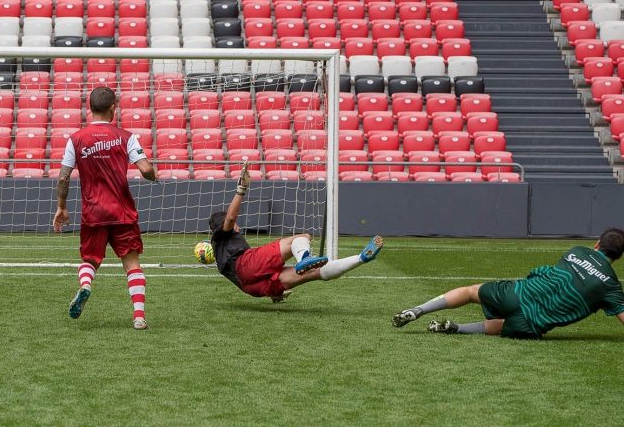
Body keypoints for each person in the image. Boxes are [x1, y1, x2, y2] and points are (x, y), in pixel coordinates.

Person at [392, 228, 624, 339]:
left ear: (597, 244)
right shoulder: (611, 287)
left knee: (471, 291)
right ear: (619, 256)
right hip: (531, 324)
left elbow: (546, 272)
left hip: (518, 293)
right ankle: (458, 328)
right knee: (504, 325)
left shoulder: (577, 251)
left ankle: (418, 310)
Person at [53, 87, 157, 330]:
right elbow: (145, 169)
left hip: (93, 212)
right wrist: (153, 175)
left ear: (89, 108)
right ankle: (139, 317)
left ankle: (86, 285)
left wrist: (61, 207)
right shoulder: (126, 136)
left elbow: (64, 177)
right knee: (132, 263)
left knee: (90, 260)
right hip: (122, 212)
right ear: (113, 108)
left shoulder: (76, 139)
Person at [209, 162, 384, 302]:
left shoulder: (220, 251)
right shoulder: (223, 234)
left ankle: (362, 258)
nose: (238, 226)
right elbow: (230, 218)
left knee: (313, 273)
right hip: (247, 265)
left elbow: (246, 279)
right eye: (235, 224)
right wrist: (241, 189)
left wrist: (273, 293)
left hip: (251, 288)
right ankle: (305, 258)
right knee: (301, 238)